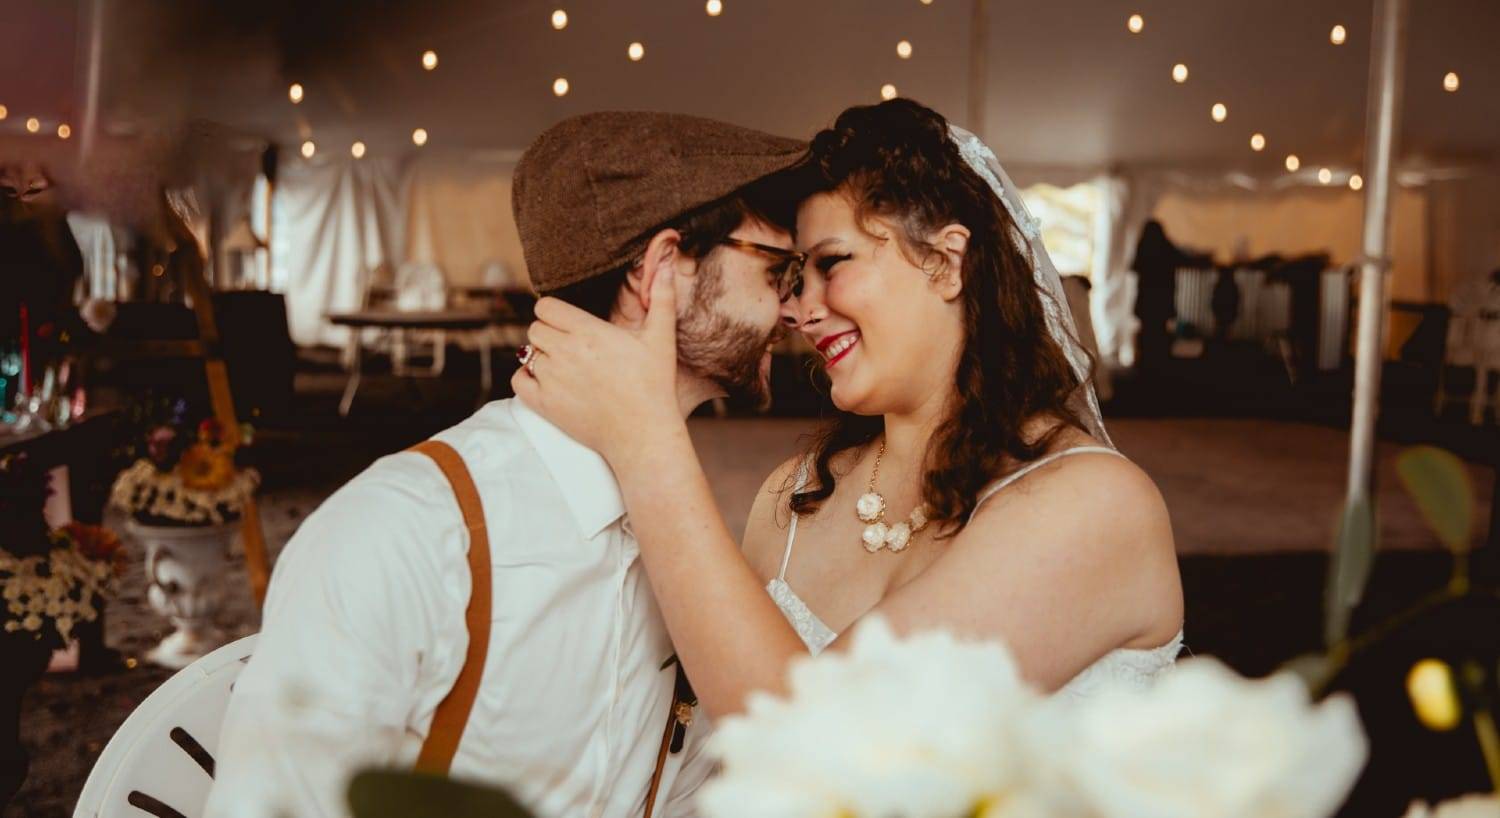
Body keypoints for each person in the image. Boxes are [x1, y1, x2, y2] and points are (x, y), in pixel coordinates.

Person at [205, 112, 806, 818]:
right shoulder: (401, 533)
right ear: (662, 270)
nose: (795, 308)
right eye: (778, 270)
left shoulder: (685, 545)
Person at [514, 99, 1185, 723]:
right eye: (795, 275)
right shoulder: (794, 494)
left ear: (946, 262)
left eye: (833, 263)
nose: (802, 312)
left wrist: (647, 441)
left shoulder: (1096, 504)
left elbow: (814, 737)